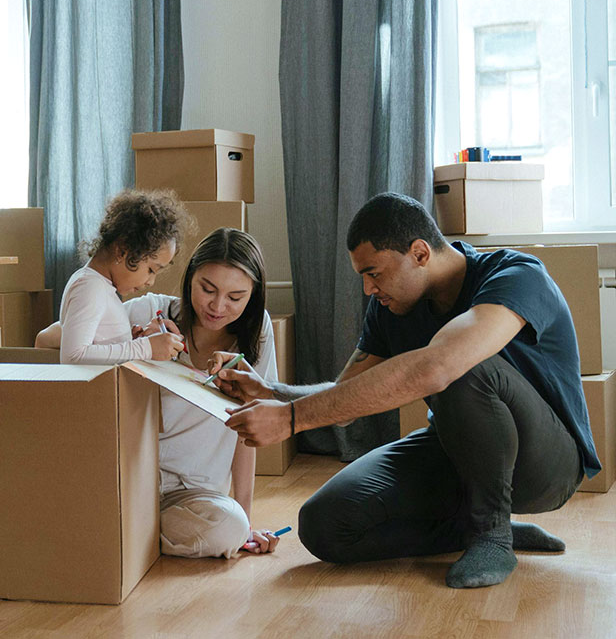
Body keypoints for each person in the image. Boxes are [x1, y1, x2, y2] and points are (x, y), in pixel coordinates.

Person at [216, 192, 599, 588]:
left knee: (460, 364)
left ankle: (492, 535)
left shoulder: (516, 275)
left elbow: (441, 366)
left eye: (374, 273)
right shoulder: (390, 307)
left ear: (419, 253)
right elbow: (346, 397)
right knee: (324, 525)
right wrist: (273, 393)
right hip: (457, 451)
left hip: (547, 465)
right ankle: (473, 527)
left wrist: (291, 420)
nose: (367, 289)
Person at [41, 227, 284, 558]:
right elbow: (48, 339)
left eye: (235, 298)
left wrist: (246, 520)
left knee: (230, 528)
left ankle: (124, 532)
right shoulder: (151, 311)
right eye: (207, 289)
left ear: (253, 296)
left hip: (193, 495)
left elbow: (248, 430)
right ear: (189, 278)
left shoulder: (258, 335)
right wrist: (136, 342)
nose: (217, 306)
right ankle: (126, 530)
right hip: (129, 480)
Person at [56, 189, 189, 364]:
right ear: (122, 250)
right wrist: (145, 347)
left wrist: (130, 342)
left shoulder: (101, 287)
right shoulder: (90, 287)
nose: (151, 282)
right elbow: (73, 356)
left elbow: (99, 348)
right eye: (151, 270)